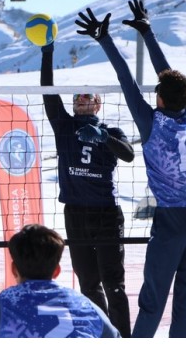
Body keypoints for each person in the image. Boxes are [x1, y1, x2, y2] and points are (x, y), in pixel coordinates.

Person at [75, 0, 186, 338]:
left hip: (174, 220)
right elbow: (169, 80)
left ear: (161, 99)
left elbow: (126, 79)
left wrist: (104, 39)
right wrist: (147, 34)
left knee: (153, 301)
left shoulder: (152, 123)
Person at [39, 41, 135, 337]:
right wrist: (47, 54)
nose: (81, 101)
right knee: (88, 284)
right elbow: (48, 93)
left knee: (113, 283)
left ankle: (125, 339)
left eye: (87, 97)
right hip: (75, 214)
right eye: (77, 98)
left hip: (106, 214)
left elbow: (128, 154)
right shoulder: (64, 127)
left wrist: (103, 136)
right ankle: (103, 335)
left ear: (97, 104)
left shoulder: (112, 132)